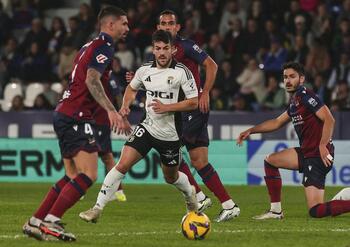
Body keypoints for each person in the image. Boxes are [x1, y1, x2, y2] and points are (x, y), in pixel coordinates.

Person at [22, 6, 131, 241]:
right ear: (110, 25)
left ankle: (36, 221)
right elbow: (92, 78)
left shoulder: (87, 46)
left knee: (72, 175)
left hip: (64, 112)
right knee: (88, 174)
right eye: (124, 23)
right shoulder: (105, 46)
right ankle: (52, 221)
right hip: (77, 116)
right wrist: (111, 111)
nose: (127, 28)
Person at [78, 29, 199, 223]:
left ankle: (190, 194)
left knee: (171, 177)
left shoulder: (182, 72)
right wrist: (125, 106)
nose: (161, 52)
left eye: (165, 48)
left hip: (170, 135)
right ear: (153, 49)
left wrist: (166, 107)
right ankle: (97, 209)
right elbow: (131, 88)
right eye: (158, 48)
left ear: (173, 50)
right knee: (122, 165)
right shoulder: (145, 70)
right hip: (147, 128)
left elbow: (194, 102)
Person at [237, 61, 350, 219]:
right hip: (306, 153)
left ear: (301, 79)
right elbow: (276, 122)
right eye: (285, 77)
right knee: (270, 160)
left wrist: (323, 145)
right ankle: (276, 211)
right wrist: (251, 130)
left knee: (316, 211)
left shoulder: (306, 96)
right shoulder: (295, 101)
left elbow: (329, 119)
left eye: (292, 76)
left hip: (317, 156)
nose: (288, 80)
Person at [157, 10, 240, 222]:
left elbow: (212, 65)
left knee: (169, 148)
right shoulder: (161, 52)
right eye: (163, 23)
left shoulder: (186, 46)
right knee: (200, 161)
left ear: (177, 27)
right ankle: (229, 205)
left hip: (193, 108)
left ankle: (199, 196)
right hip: (182, 109)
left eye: (171, 23)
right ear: (159, 27)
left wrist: (205, 92)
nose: (167, 27)